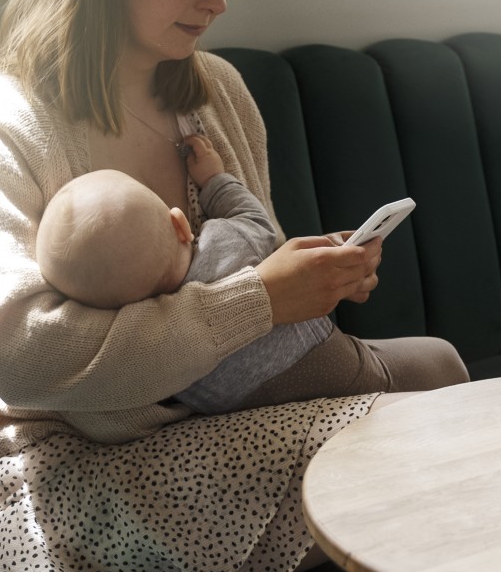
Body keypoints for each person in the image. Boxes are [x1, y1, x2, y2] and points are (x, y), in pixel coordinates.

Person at [0, 0, 469, 572]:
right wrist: (263, 301)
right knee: (431, 439)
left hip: (236, 410)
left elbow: (249, 263)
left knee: (449, 392)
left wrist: (316, 276)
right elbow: (23, 358)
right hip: (83, 467)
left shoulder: (217, 93)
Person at [36, 134, 352, 414]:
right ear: (180, 224)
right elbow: (256, 220)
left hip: (261, 420)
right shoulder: (227, 239)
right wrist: (214, 179)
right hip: (335, 365)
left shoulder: (159, 345)